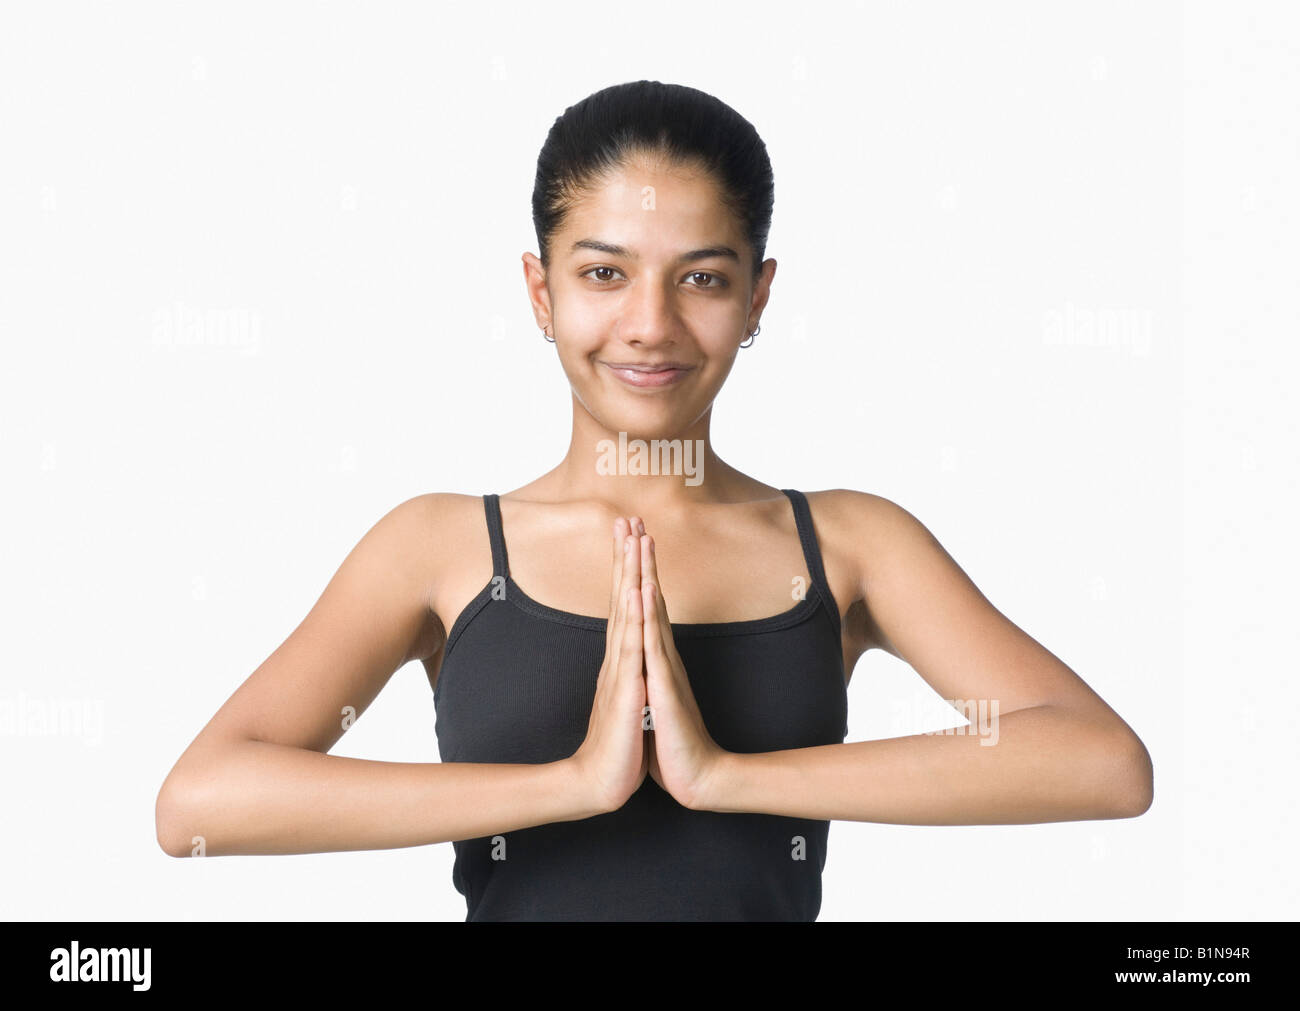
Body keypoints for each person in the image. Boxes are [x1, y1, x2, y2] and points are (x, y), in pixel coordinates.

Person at [155, 80, 1153, 920]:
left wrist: (726, 777)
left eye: (702, 279)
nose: (649, 324)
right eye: (603, 273)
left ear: (757, 298)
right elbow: (199, 802)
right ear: (541, 294)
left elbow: (1100, 763)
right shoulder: (439, 546)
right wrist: (570, 785)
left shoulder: (849, 543)